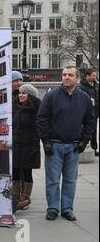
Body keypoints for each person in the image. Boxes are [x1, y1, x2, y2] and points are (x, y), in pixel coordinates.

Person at [36, 66, 95, 222]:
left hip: (74, 146)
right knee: (53, 180)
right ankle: (53, 208)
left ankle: (67, 209)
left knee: (70, 180)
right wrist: (46, 142)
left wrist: (84, 141)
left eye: (70, 75)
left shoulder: (84, 98)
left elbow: (90, 121)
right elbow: (42, 119)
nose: (66, 77)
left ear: (77, 79)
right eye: (64, 75)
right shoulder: (51, 96)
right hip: (54, 145)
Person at [12, 84, 41, 212]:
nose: (21, 95)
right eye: (20, 93)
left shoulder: (36, 108)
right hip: (15, 144)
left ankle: (26, 198)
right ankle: (16, 197)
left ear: (31, 96)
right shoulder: (13, 106)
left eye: (24, 93)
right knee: (15, 171)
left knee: (27, 172)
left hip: (29, 145)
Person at [78, 69, 99, 156]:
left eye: (95, 75)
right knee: (88, 129)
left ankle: (94, 148)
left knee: (94, 130)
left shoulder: (96, 85)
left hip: (96, 109)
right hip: (88, 110)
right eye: (93, 75)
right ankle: (84, 146)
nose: (95, 77)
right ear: (87, 76)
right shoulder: (81, 86)